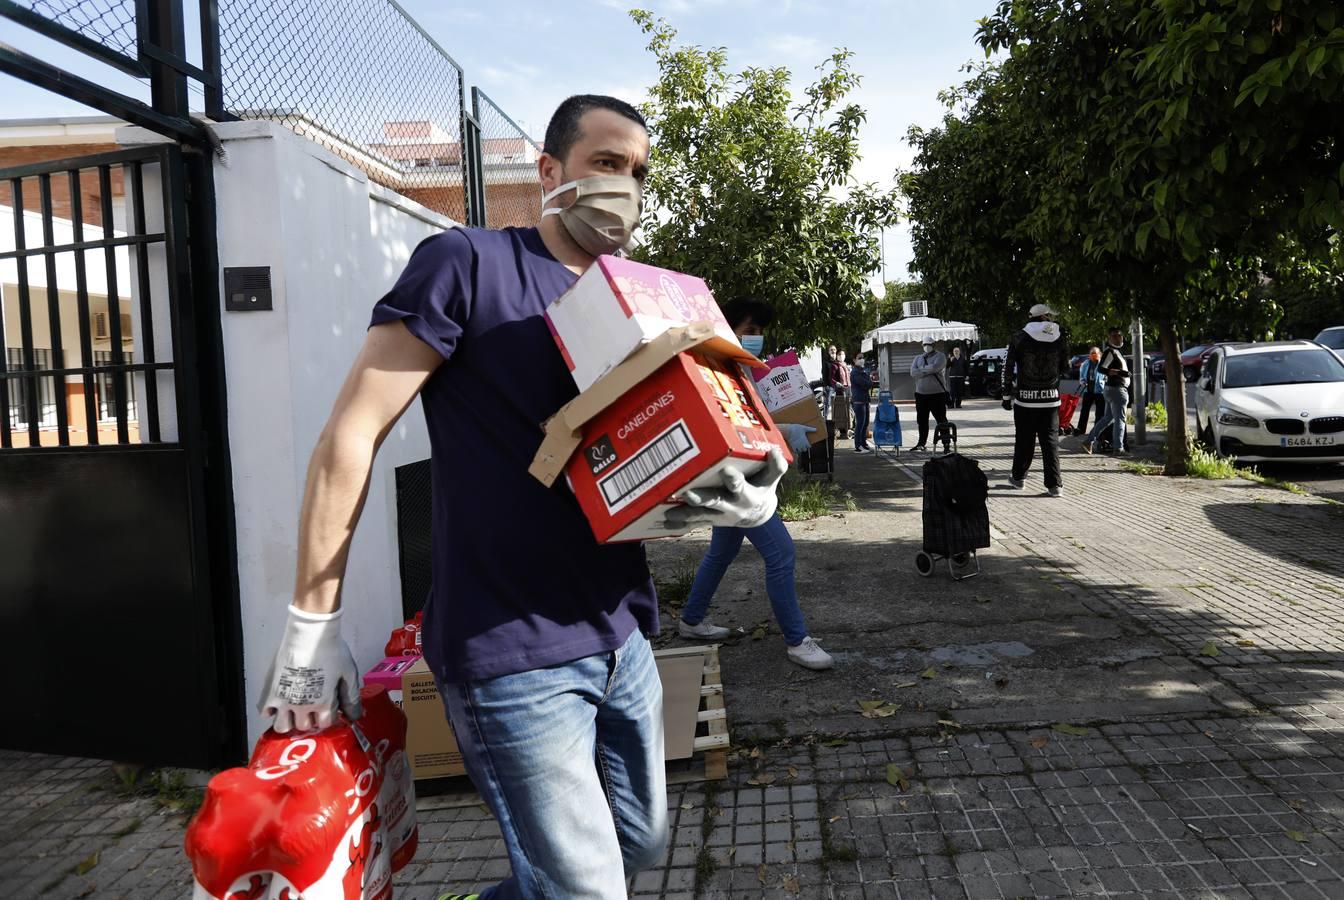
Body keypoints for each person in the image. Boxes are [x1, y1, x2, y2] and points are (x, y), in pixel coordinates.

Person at [256, 95, 790, 899]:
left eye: (638, 173)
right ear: (549, 171)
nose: (625, 187)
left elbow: (648, 458)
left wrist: (723, 486)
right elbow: (349, 433)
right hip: (509, 653)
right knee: (589, 891)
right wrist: (310, 628)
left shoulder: (638, 300)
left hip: (621, 632)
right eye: (606, 164)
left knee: (638, 848)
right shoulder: (466, 264)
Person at [676, 299, 835, 672]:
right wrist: (782, 433)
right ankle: (797, 641)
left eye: (760, 332)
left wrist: (780, 430)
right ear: (728, 329)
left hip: (737, 476)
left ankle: (692, 620)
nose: (757, 339)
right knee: (780, 554)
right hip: (738, 481)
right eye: (749, 331)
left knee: (722, 553)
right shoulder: (719, 368)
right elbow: (728, 426)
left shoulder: (737, 367)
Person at [1003, 303, 1069, 495]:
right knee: (1050, 442)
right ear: (1044, 317)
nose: (1051, 319)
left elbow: (1007, 367)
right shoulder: (1060, 336)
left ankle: (1018, 479)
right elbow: (1065, 366)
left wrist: (1006, 394)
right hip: (1051, 400)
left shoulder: (1018, 337)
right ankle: (1054, 485)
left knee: (1024, 440)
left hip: (1025, 400)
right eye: (1049, 316)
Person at [1083, 327, 1131, 455]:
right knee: (1120, 419)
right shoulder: (1111, 352)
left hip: (1112, 390)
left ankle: (1089, 441)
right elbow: (1102, 369)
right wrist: (1120, 373)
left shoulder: (1116, 352)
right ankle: (1118, 448)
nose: (1118, 338)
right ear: (1109, 338)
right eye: (1114, 336)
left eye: (1119, 335)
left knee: (1107, 419)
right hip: (1117, 390)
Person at [909, 336, 949, 451]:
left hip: (937, 394)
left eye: (929, 344)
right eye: (925, 344)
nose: (927, 346)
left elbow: (936, 368)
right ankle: (921, 443)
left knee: (941, 420)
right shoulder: (918, 358)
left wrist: (921, 369)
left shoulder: (940, 356)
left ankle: (946, 444)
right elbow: (912, 372)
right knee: (921, 420)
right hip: (921, 394)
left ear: (934, 345)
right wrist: (927, 369)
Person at [1075, 346, 1106, 434]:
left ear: (1099, 354)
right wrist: (1082, 381)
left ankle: (1097, 430)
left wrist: (1104, 382)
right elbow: (1081, 375)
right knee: (1084, 411)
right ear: (1089, 355)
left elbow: (1106, 376)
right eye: (1092, 353)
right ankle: (1081, 429)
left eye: (1095, 353)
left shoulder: (1103, 364)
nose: (1093, 355)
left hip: (1100, 391)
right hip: (1088, 390)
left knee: (1099, 413)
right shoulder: (1085, 363)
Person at [850, 353, 875, 452]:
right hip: (859, 400)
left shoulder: (862, 370)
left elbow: (869, 383)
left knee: (865, 423)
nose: (862, 360)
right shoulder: (855, 372)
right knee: (860, 423)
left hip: (864, 400)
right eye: (859, 358)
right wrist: (869, 382)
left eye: (862, 358)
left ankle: (863, 443)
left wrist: (869, 383)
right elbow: (866, 383)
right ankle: (858, 446)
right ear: (854, 360)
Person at [832, 348, 852, 438]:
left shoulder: (845, 365)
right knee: (841, 409)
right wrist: (837, 384)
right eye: (839, 354)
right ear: (837, 356)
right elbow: (832, 378)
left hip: (848, 388)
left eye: (843, 354)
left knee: (849, 408)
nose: (841, 356)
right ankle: (841, 428)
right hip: (840, 389)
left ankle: (849, 426)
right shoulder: (835, 366)